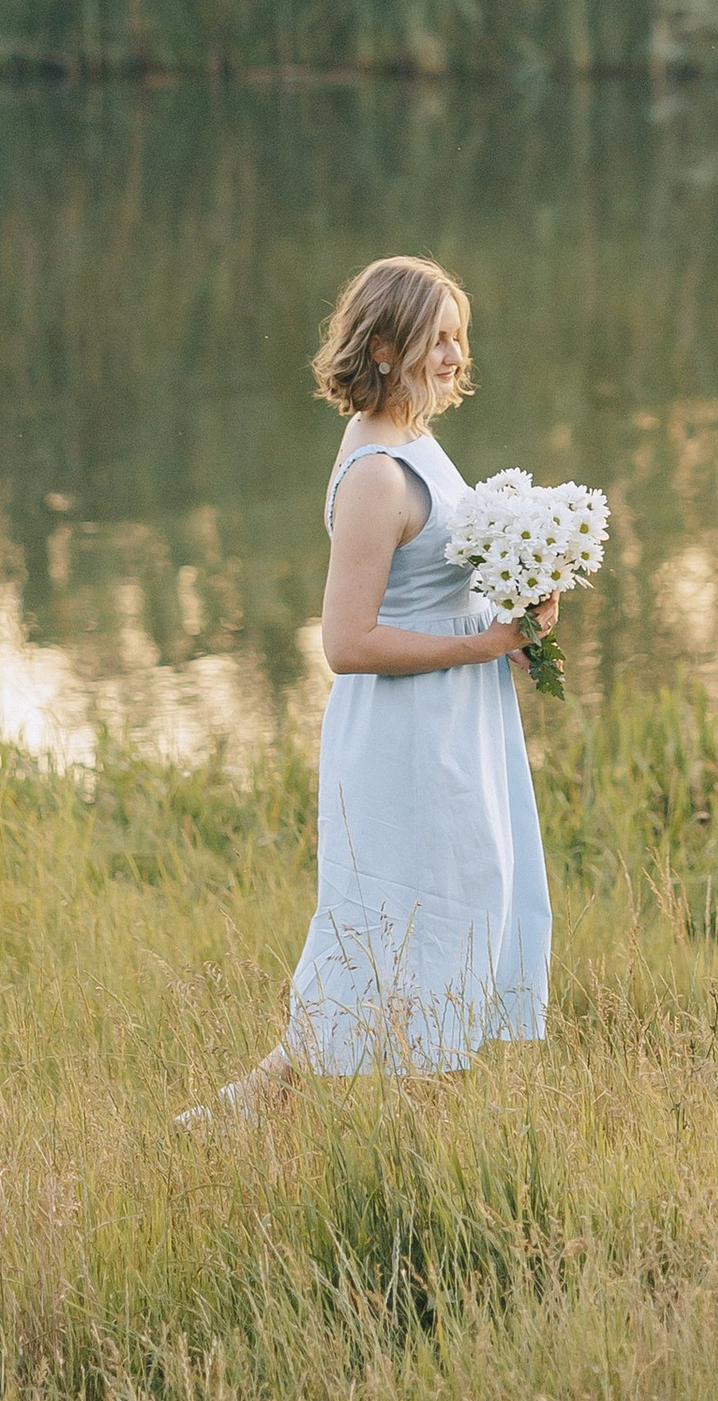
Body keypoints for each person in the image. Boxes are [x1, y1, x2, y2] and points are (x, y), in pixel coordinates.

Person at [177, 253, 554, 1126]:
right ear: (384, 347)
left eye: (459, 337)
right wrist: (485, 642)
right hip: (406, 735)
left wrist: (524, 594)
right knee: (415, 925)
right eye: (437, 339)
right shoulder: (379, 472)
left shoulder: (412, 432)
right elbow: (346, 641)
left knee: (452, 912)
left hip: (454, 718)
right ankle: (405, 1148)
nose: (455, 356)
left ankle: (239, 1121)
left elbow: (431, 582)